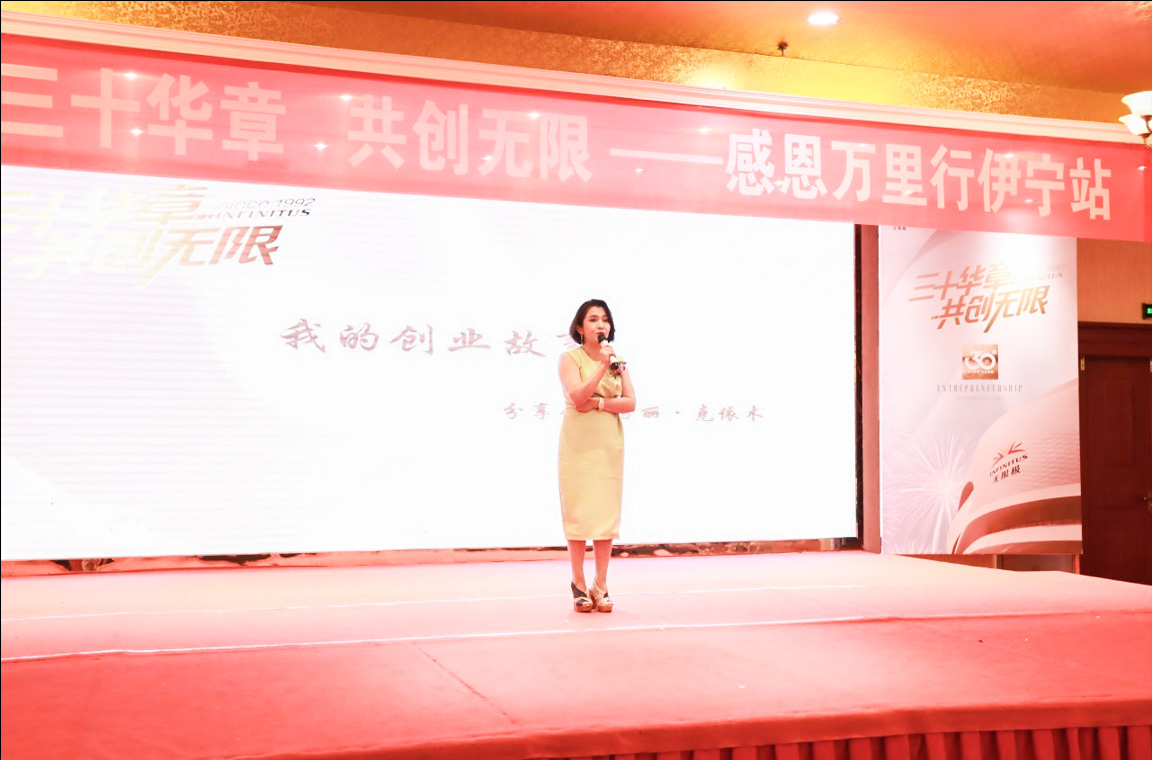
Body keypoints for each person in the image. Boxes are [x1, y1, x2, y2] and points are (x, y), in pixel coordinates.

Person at [557, 299, 636, 612]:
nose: (600, 324)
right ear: (580, 326)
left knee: (605, 514)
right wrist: (603, 366)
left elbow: (630, 402)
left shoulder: (618, 360)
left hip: (608, 443)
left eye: (604, 319)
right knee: (578, 513)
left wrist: (601, 403)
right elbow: (578, 397)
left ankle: (600, 585)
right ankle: (578, 583)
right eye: (592, 319)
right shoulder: (569, 359)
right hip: (578, 444)